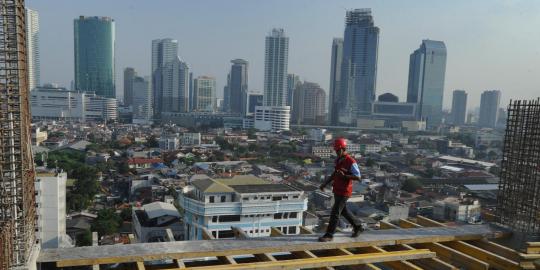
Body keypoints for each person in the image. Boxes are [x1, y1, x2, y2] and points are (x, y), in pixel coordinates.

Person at [318, 137, 363, 242]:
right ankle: (358, 226)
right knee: (343, 211)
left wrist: (345, 176)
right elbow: (335, 173)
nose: (336, 152)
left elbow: (358, 177)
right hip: (337, 190)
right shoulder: (338, 160)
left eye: (338, 150)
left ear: (343, 148)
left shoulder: (351, 161)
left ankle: (329, 234)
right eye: (336, 150)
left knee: (335, 212)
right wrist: (325, 183)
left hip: (344, 191)